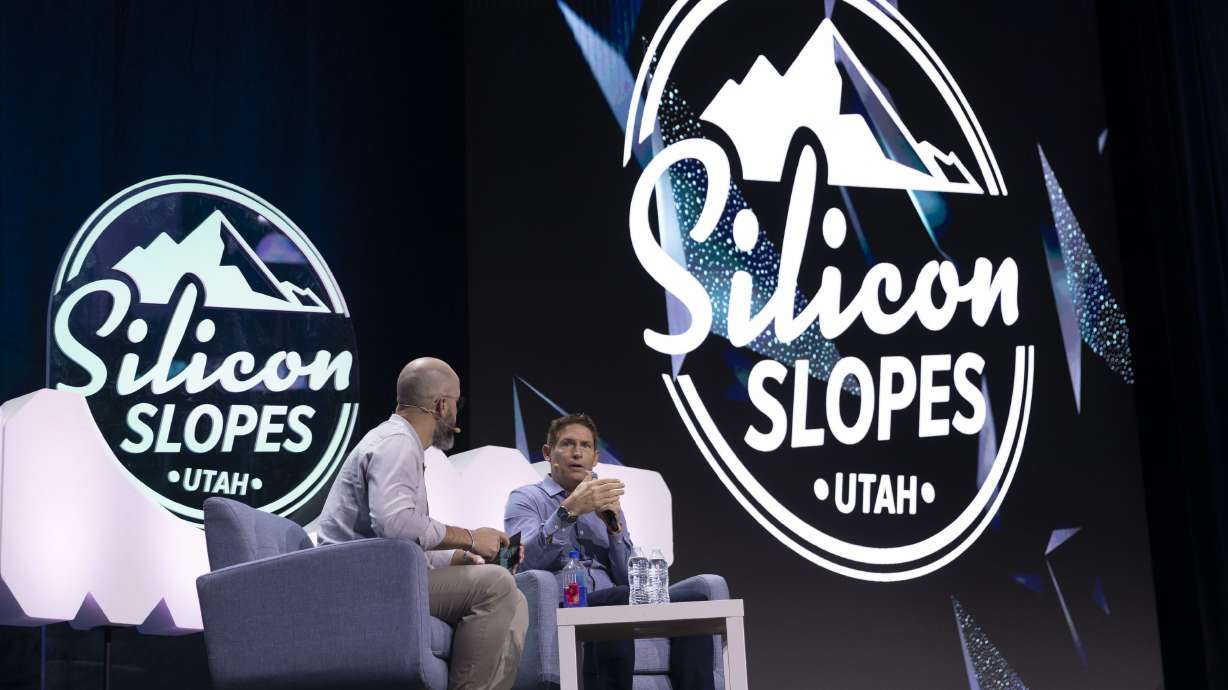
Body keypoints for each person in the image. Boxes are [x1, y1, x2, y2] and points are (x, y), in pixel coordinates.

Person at [317, 357, 527, 690]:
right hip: (359, 582)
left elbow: (402, 546)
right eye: (457, 404)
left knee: (515, 599)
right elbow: (395, 524)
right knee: (495, 585)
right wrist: (470, 538)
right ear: (442, 406)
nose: (457, 413)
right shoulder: (397, 444)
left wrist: (460, 558)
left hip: (383, 573)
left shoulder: (402, 443)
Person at [504, 413, 715, 690]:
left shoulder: (606, 501)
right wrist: (568, 512)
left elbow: (628, 579)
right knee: (615, 598)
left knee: (694, 601)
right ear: (547, 452)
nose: (577, 453)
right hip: (567, 602)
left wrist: (615, 530)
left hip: (618, 598)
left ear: (595, 458)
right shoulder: (524, 498)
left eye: (585, 446)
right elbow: (522, 561)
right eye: (567, 444)